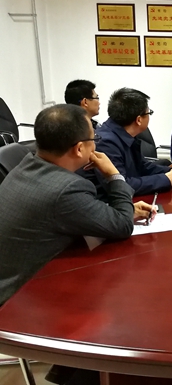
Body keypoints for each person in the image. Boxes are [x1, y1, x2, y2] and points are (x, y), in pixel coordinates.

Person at [0, 104, 155, 306]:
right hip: (16, 300)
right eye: (94, 139)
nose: (96, 145)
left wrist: (122, 210)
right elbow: (123, 226)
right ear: (80, 148)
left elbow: (67, 211)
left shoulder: (26, 165)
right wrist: (113, 174)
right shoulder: (67, 188)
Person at [94, 88, 172, 196]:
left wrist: (171, 171)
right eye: (149, 113)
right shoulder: (106, 143)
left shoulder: (124, 133)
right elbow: (121, 185)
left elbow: (141, 166)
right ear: (139, 120)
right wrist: (166, 179)